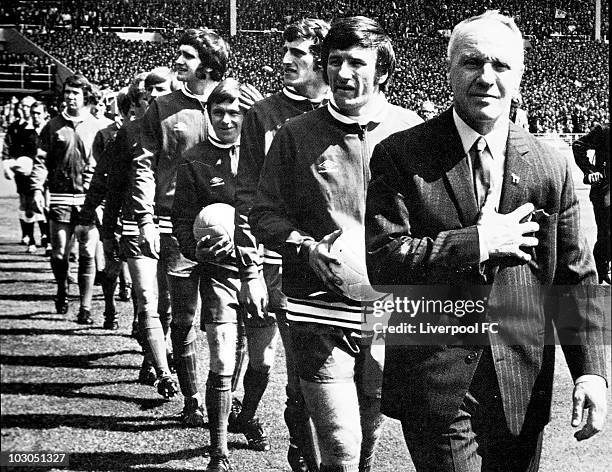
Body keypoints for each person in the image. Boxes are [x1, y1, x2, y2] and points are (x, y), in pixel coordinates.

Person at [365, 11, 607, 471]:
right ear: (450, 68)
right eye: (473, 62)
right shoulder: (401, 154)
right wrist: (476, 242)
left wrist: (591, 371)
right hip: (435, 380)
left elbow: (577, 278)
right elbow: (384, 260)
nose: (486, 77)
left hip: (522, 383)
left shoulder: (548, 164)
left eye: (501, 65)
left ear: (519, 76)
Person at [250, 16, 422, 472]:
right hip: (315, 305)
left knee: (369, 431)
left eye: (356, 63)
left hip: (389, 309)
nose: (343, 74)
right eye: (334, 62)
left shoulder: (413, 133)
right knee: (339, 448)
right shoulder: (296, 135)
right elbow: (263, 212)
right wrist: (305, 247)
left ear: (382, 70)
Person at [234, 17, 330, 472]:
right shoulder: (262, 115)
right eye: (285, 50)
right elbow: (247, 196)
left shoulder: (343, 110)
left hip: (343, 264)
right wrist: (251, 271)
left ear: (321, 62)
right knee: (301, 378)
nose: (287, 60)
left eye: (299, 53)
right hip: (281, 262)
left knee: (357, 381)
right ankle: (303, 455)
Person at [173, 78, 277, 472]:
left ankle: (246, 416)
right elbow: (182, 220)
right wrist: (193, 247)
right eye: (219, 112)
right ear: (208, 114)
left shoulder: (266, 155)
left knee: (263, 361)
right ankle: (218, 452)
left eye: (236, 112)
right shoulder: (194, 159)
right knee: (220, 358)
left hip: (264, 270)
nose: (227, 119)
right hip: (217, 273)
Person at [131, 28, 231, 425]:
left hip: (230, 227)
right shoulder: (162, 107)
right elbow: (143, 166)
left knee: (228, 317)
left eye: (186, 56)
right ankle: (192, 399)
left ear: (207, 64)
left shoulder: (239, 101)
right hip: (175, 224)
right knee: (183, 316)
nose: (177, 61)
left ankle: (227, 392)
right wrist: (144, 219)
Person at [103, 75, 179, 398]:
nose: (157, 95)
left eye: (164, 89)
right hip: (136, 225)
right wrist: (108, 230)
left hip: (173, 226)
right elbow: (113, 184)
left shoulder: (184, 127)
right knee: (146, 298)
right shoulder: (130, 132)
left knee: (168, 305)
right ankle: (164, 373)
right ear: (145, 96)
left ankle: (151, 358)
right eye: (153, 90)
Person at [31, 74, 107, 323]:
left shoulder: (99, 127)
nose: (70, 97)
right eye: (67, 93)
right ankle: (62, 289)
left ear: (86, 96)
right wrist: (35, 189)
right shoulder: (52, 126)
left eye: (75, 93)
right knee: (59, 254)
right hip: (61, 197)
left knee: (87, 252)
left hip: (89, 199)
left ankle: (85, 308)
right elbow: (41, 161)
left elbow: (108, 167)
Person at [573, 121, 610, 284]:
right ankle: (598, 272)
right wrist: (591, 171)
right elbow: (578, 145)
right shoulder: (604, 130)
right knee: (607, 234)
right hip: (605, 190)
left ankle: (601, 269)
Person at [2, 95, 39, 252]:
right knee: (26, 203)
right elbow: (7, 147)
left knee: (41, 204)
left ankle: (46, 237)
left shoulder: (41, 127)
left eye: (28, 106)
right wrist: (7, 166)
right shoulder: (15, 126)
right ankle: (29, 237)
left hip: (39, 170)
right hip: (22, 170)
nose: (25, 109)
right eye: (22, 106)